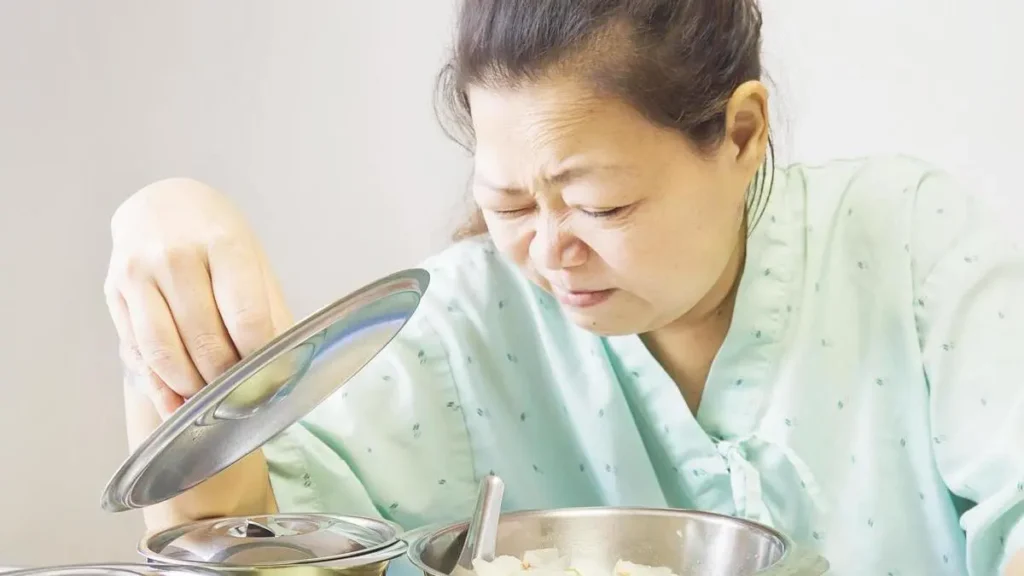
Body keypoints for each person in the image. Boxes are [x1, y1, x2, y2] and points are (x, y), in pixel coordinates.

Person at [103, 0, 1024, 574]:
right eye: (506, 204)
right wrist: (168, 264)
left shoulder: (907, 242)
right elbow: (243, 542)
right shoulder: (468, 325)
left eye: (602, 206)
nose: (548, 254)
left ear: (741, 135)